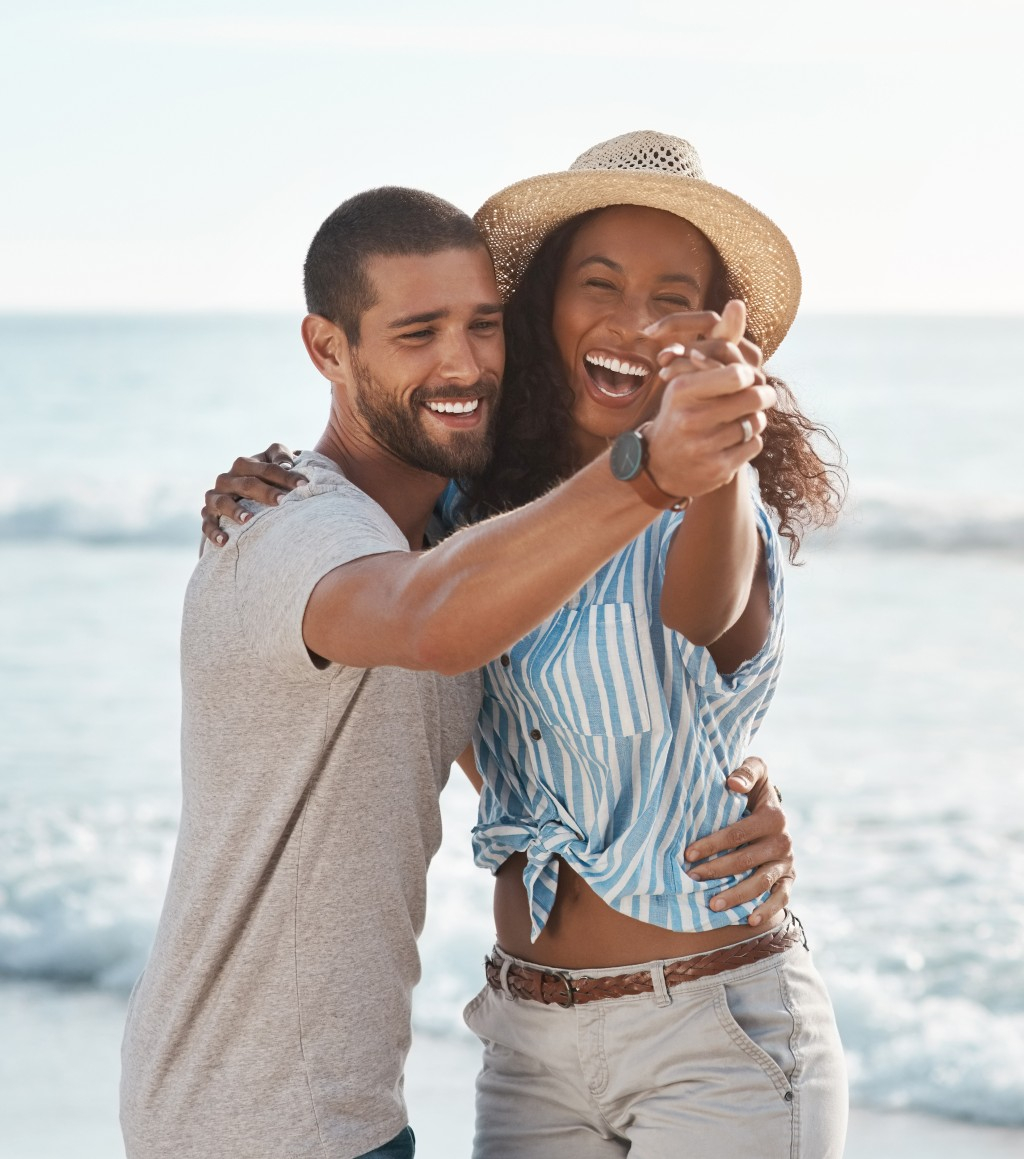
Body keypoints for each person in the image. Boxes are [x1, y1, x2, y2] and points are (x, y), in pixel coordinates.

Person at [201, 131, 848, 1157]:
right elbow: (431, 640)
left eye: (672, 296)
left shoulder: (717, 506)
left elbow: (704, 611)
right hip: (527, 1041)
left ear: (722, 333)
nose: (633, 323)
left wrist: (711, 452)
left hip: (713, 1033)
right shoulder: (474, 517)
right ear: (543, 308)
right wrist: (275, 485)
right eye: (600, 285)